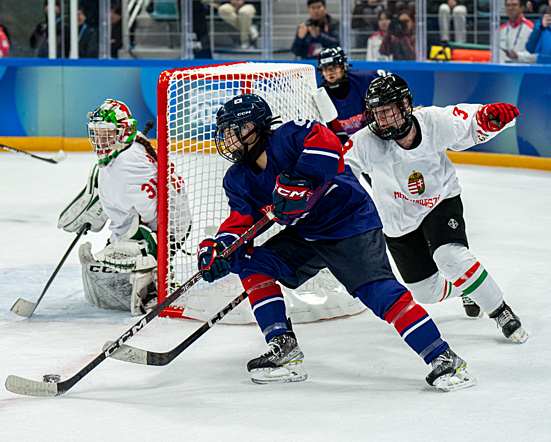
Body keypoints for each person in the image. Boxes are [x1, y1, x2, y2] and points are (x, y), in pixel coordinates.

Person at [200, 93, 475, 392]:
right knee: (251, 264)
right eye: (224, 133)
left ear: (254, 127)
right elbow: (241, 219)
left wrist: (303, 179)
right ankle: (284, 348)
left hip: (349, 221)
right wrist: (221, 249)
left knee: (378, 292)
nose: (227, 139)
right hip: (307, 233)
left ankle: (444, 359)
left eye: (233, 131)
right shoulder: (237, 179)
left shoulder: (288, 137)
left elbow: (327, 140)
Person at [343, 74, 528, 344]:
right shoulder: (365, 141)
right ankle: (467, 289)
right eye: (377, 113)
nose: (381, 120)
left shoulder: (433, 121)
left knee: (450, 256)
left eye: (387, 111)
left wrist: (488, 119)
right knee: (425, 292)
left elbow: (469, 123)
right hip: (397, 218)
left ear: (405, 106)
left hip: (440, 200)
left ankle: (500, 311)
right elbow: (341, 171)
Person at [57, 99, 191, 316]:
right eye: (97, 133)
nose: (100, 140)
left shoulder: (126, 167)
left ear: (124, 132)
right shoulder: (131, 146)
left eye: (107, 134)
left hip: (166, 229)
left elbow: (151, 215)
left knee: (117, 260)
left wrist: (133, 240)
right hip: (174, 219)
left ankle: (157, 278)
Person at [316, 47, 386, 143]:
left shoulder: (364, 80)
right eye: (325, 69)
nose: (330, 72)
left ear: (344, 66)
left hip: (373, 140)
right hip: (342, 146)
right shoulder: (319, 95)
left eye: (334, 66)